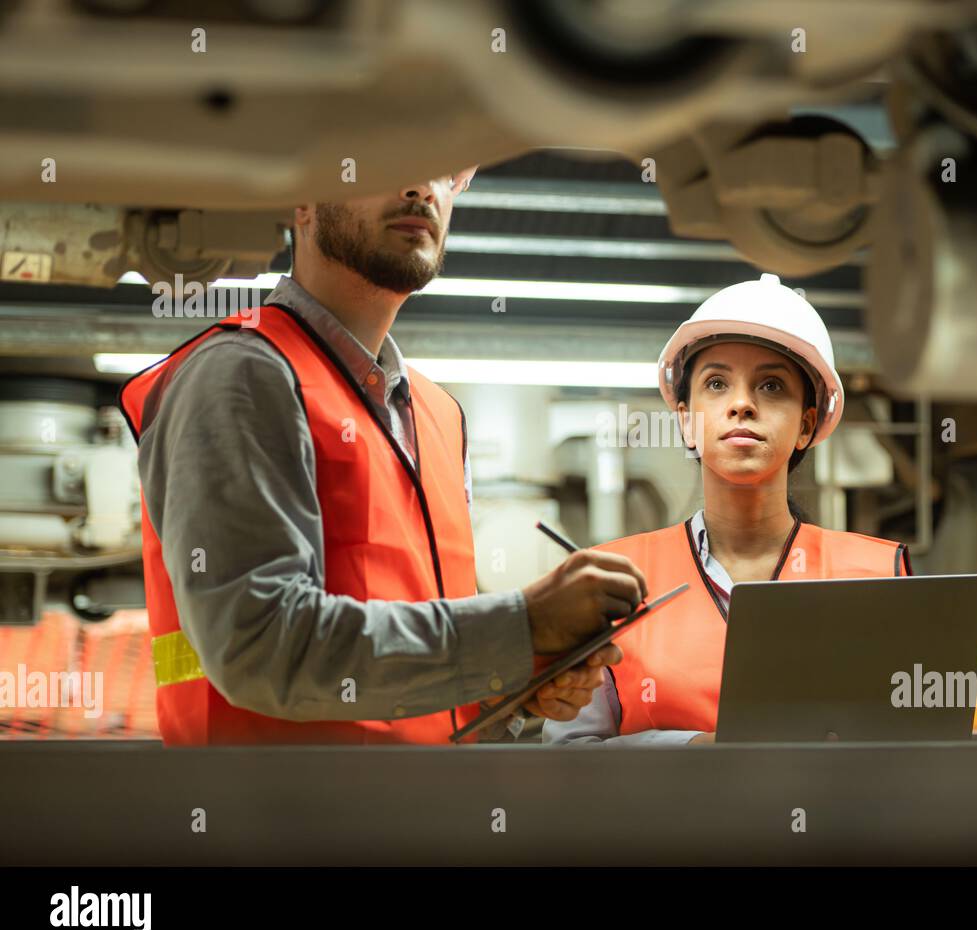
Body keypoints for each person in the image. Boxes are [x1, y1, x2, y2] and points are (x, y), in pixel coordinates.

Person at [119, 169, 646, 745]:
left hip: (414, 821)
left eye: (446, 169)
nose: (422, 185)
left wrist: (508, 685)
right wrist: (521, 626)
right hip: (268, 823)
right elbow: (259, 644)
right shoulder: (242, 375)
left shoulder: (438, 414)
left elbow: (409, 671)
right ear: (301, 197)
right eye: (385, 159)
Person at [544, 273, 910, 745]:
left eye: (772, 386)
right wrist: (695, 749)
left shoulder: (879, 576)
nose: (742, 404)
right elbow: (566, 761)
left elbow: (909, 752)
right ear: (687, 421)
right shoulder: (610, 582)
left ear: (806, 425)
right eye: (716, 383)